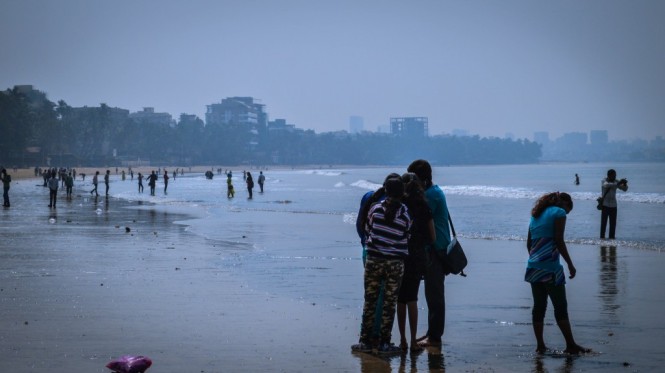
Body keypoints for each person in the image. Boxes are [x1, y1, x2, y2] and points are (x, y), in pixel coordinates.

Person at [526, 192, 590, 354]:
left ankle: (540, 346)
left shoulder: (536, 214)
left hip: (533, 266)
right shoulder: (559, 212)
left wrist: (537, 260)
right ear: (565, 204)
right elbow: (559, 240)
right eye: (568, 211)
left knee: (539, 307)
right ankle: (570, 345)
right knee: (560, 307)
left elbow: (529, 244)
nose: (566, 214)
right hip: (551, 268)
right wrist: (570, 264)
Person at [352, 177, 411, 355]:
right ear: (402, 193)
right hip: (395, 263)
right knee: (389, 303)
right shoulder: (405, 213)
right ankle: (385, 343)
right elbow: (407, 235)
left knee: (370, 300)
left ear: (385, 190)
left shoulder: (375, 209)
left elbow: (368, 230)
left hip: (374, 260)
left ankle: (365, 342)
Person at [407, 159, 451, 349]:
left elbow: (418, 218)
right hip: (435, 248)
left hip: (436, 250)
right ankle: (432, 333)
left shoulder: (431, 196)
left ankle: (434, 337)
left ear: (422, 179)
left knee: (434, 295)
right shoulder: (433, 192)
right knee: (432, 294)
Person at [397, 172, 435, 352]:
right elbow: (432, 236)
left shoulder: (400, 205)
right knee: (412, 298)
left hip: (400, 254)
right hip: (418, 257)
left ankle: (402, 340)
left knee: (400, 299)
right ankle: (413, 341)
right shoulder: (424, 206)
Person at [600, 169, 628, 240]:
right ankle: (602, 240)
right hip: (605, 205)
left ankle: (611, 240)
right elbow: (606, 185)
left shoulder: (616, 181)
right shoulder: (604, 180)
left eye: (615, 175)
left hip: (613, 205)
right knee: (603, 224)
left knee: (613, 225)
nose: (615, 177)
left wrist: (624, 184)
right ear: (609, 176)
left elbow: (625, 189)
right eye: (614, 175)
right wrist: (618, 184)